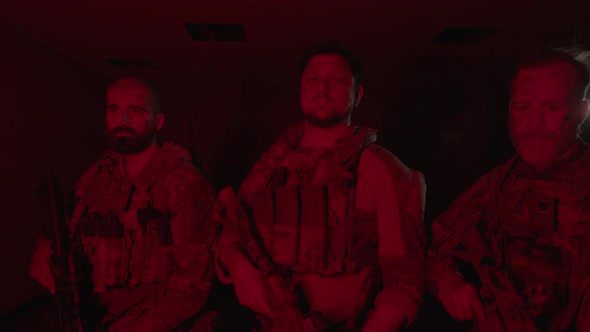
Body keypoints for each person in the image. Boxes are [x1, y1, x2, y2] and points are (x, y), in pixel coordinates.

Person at [214, 41, 427, 331]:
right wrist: (240, 269)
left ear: (358, 95)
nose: (322, 88)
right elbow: (230, 228)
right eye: (313, 79)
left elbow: (405, 285)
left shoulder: (382, 169)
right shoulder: (272, 164)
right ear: (301, 91)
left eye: (336, 80)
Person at [28, 77, 219, 331]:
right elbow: (62, 229)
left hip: (157, 320)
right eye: (114, 110)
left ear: (158, 122)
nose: (123, 121)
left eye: (135, 111)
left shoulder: (184, 183)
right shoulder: (95, 177)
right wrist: (44, 251)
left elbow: (194, 284)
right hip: (92, 313)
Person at [427, 49, 590, 331]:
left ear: (581, 112)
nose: (534, 124)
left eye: (552, 108)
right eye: (522, 108)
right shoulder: (499, 184)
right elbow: (440, 238)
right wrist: (448, 282)